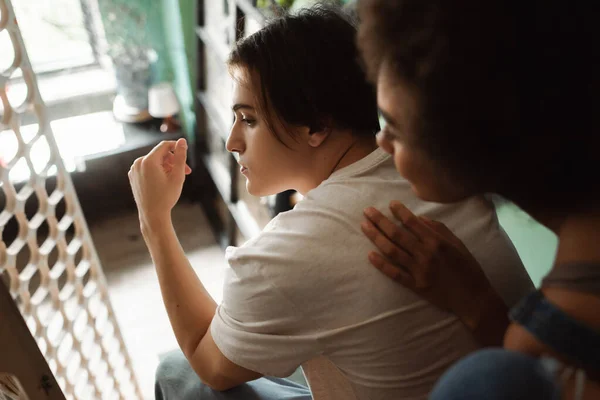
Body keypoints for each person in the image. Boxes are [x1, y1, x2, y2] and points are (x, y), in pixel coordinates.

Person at [129, 6, 532, 400]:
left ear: (317, 125)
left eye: (248, 119)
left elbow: (209, 363)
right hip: (513, 375)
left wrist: (154, 221)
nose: (232, 142)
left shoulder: (291, 253)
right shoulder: (438, 175)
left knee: (177, 372)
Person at [356, 0, 600, 398]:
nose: (380, 143)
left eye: (395, 130)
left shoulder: (534, 369)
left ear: (467, 140)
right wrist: (476, 302)